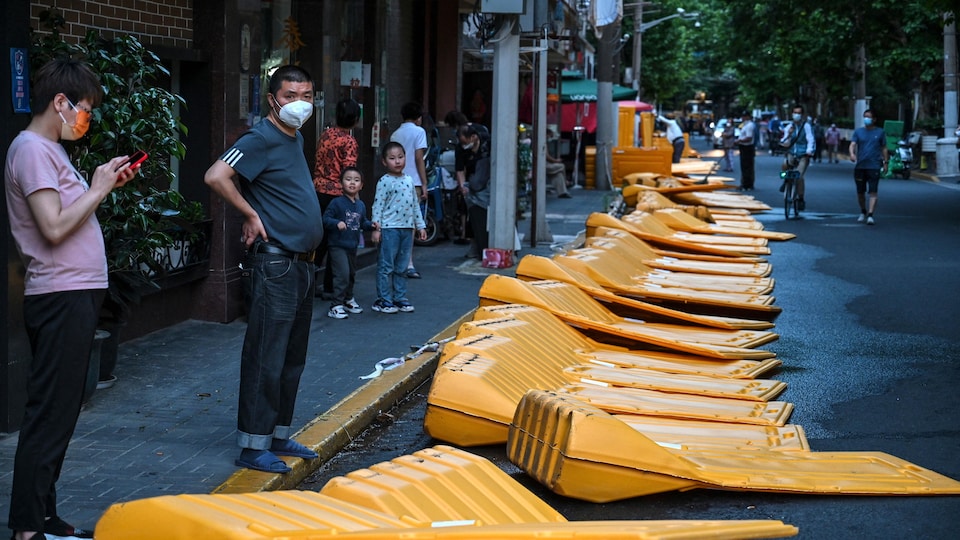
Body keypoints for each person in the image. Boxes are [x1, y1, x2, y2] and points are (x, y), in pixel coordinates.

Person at [4, 57, 140, 540]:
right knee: (50, 412)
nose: (87, 118)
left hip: (74, 293)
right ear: (60, 102)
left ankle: (44, 518)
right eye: (85, 108)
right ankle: (27, 528)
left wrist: (105, 185)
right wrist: (99, 187)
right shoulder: (32, 150)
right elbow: (55, 227)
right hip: (60, 294)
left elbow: (70, 214)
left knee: (60, 411)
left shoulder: (50, 151)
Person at [204, 65, 322, 474]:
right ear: (273, 99)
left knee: (291, 357)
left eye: (306, 95)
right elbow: (216, 175)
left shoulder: (295, 136)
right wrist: (251, 214)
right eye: (290, 96)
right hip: (276, 263)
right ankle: (253, 446)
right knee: (266, 357)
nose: (299, 103)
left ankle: (276, 435)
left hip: (302, 264)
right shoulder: (260, 137)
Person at [370, 141, 427, 313]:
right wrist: (376, 228)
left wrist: (421, 226)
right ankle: (384, 299)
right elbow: (377, 206)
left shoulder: (409, 180)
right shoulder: (384, 181)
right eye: (392, 158)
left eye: (400, 157)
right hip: (389, 229)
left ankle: (400, 298)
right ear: (384, 161)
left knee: (402, 266)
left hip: (407, 229)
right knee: (386, 266)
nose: (397, 161)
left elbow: (415, 205)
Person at [312, 97, 360, 298]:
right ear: (355, 119)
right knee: (337, 241)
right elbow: (349, 174)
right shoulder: (349, 141)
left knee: (320, 239)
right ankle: (331, 286)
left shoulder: (325, 135)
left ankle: (309, 281)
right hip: (338, 195)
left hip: (318, 191)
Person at [323, 167, 377, 319]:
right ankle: (335, 305)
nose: (352, 183)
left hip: (352, 246)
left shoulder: (360, 205)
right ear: (341, 183)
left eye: (356, 180)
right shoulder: (336, 203)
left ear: (361, 185)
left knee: (351, 274)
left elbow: (362, 222)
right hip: (337, 245)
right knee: (342, 274)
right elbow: (325, 219)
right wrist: (336, 223)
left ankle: (348, 299)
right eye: (348, 179)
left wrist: (371, 225)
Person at [389, 102, 428, 279]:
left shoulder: (395, 134)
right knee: (410, 224)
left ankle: (397, 260)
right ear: (418, 117)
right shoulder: (419, 132)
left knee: (396, 221)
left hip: (396, 180)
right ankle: (408, 263)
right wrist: (424, 183)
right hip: (413, 182)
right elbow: (419, 158)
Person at [848, 109, 889, 225]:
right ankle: (863, 211)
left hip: (874, 166)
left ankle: (870, 214)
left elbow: (884, 148)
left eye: (869, 117)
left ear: (874, 119)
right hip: (860, 166)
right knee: (860, 192)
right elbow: (852, 144)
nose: (866, 119)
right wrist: (852, 154)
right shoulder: (858, 132)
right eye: (865, 117)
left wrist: (886, 162)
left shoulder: (880, 132)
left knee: (873, 191)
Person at [458, 124, 492, 259]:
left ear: (473, 137)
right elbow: (460, 169)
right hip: (472, 188)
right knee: (472, 219)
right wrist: (463, 187)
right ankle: (475, 247)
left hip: (484, 188)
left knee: (481, 220)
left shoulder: (486, 147)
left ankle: (482, 248)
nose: (464, 145)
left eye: (465, 141)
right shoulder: (461, 150)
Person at [778, 105, 815, 210]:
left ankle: (801, 198)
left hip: (803, 154)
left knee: (799, 176)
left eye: (799, 113)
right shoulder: (789, 127)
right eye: (795, 112)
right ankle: (785, 180)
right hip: (791, 153)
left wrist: (809, 151)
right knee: (784, 167)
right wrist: (789, 135)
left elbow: (810, 140)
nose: (796, 115)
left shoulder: (806, 126)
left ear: (802, 115)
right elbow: (783, 141)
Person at [545, 129, 571, 198]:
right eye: (550, 136)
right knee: (562, 166)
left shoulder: (545, 143)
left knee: (559, 174)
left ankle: (562, 192)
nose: (550, 138)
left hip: (547, 164)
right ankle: (565, 181)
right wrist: (556, 161)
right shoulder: (542, 142)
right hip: (544, 166)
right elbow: (547, 157)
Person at [735, 111, 756, 190]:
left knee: (747, 166)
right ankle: (744, 182)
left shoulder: (750, 125)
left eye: (744, 116)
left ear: (748, 117)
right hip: (743, 147)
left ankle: (747, 184)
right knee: (744, 166)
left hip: (747, 147)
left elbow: (749, 138)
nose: (742, 118)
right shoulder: (745, 125)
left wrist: (739, 141)